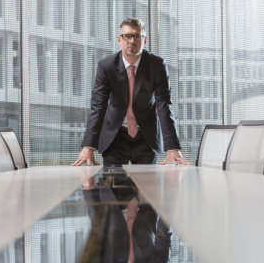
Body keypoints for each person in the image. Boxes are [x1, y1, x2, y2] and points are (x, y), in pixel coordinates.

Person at [72, 18, 189, 166]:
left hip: (146, 137)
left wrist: (173, 147)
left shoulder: (157, 65)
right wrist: (88, 146)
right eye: (127, 36)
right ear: (119, 40)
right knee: (112, 185)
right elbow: (98, 106)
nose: (131, 41)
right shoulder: (106, 66)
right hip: (115, 137)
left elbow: (164, 106)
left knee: (147, 187)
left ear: (144, 40)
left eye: (137, 36)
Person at [82, 174, 172, 263]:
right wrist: (166, 193)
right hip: (146, 198)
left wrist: (89, 188)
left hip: (113, 196)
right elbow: (163, 236)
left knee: (114, 155)